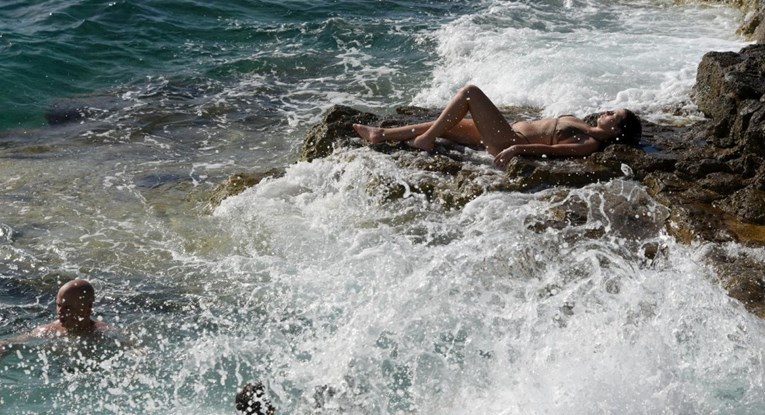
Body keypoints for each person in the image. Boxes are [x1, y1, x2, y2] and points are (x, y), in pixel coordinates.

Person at [353, 84, 642, 167]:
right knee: (448, 123)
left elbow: (550, 152)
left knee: (470, 93)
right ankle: (382, 135)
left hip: (506, 141)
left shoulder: (588, 144)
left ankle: (425, 140)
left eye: (612, 115)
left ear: (616, 131)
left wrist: (515, 149)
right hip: (507, 131)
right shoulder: (579, 121)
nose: (605, 112)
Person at [0, 279, 109, 356]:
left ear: (87, 307)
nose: (60, 312)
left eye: (68, 307)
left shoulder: (104, 334)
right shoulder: (47, 331)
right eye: (58, 305)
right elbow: (10, 343)